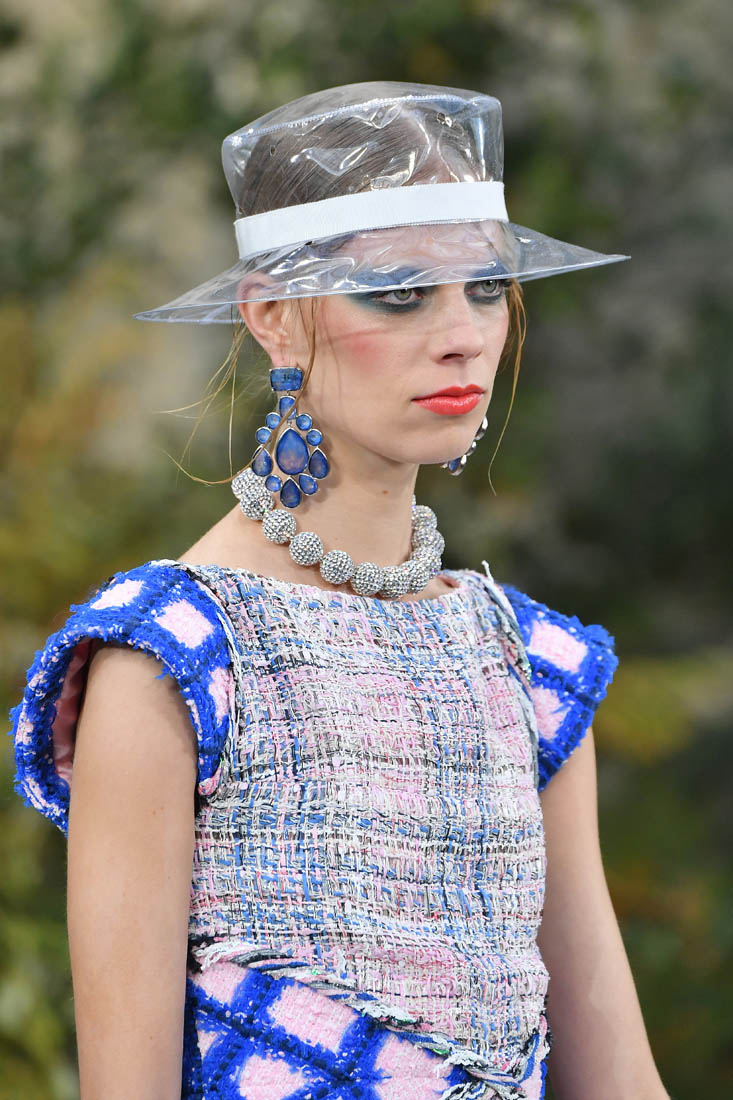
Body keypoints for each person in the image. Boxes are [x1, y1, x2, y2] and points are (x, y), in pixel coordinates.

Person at [9, 82, 670, 1100]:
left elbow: (616, 1073)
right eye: (398, 291)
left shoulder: (525, 661)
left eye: (486, 287)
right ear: (272, 316)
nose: (461, 334)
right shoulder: (175, 655)